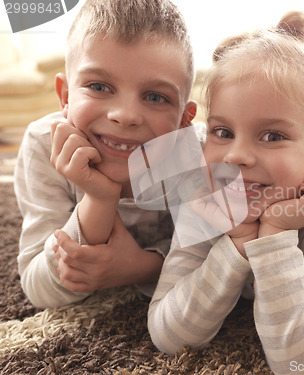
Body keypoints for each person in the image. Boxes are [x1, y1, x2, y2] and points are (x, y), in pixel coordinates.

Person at [148, 28, 304, 375]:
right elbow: (168, 336)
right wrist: (238, 244)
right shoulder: (205, 198)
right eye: (223, 132)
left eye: (272, 136)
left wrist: (274, 236)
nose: (237, 155)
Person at [14, 0, 197, 309]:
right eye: (99, 86)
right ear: (65, 97)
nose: (125, 116)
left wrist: (144, 267)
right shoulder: (42, 144)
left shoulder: (199, 154)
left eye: (155, 96)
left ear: (184, 119)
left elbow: (231, 267)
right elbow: (40, 289)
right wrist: (99, 200)